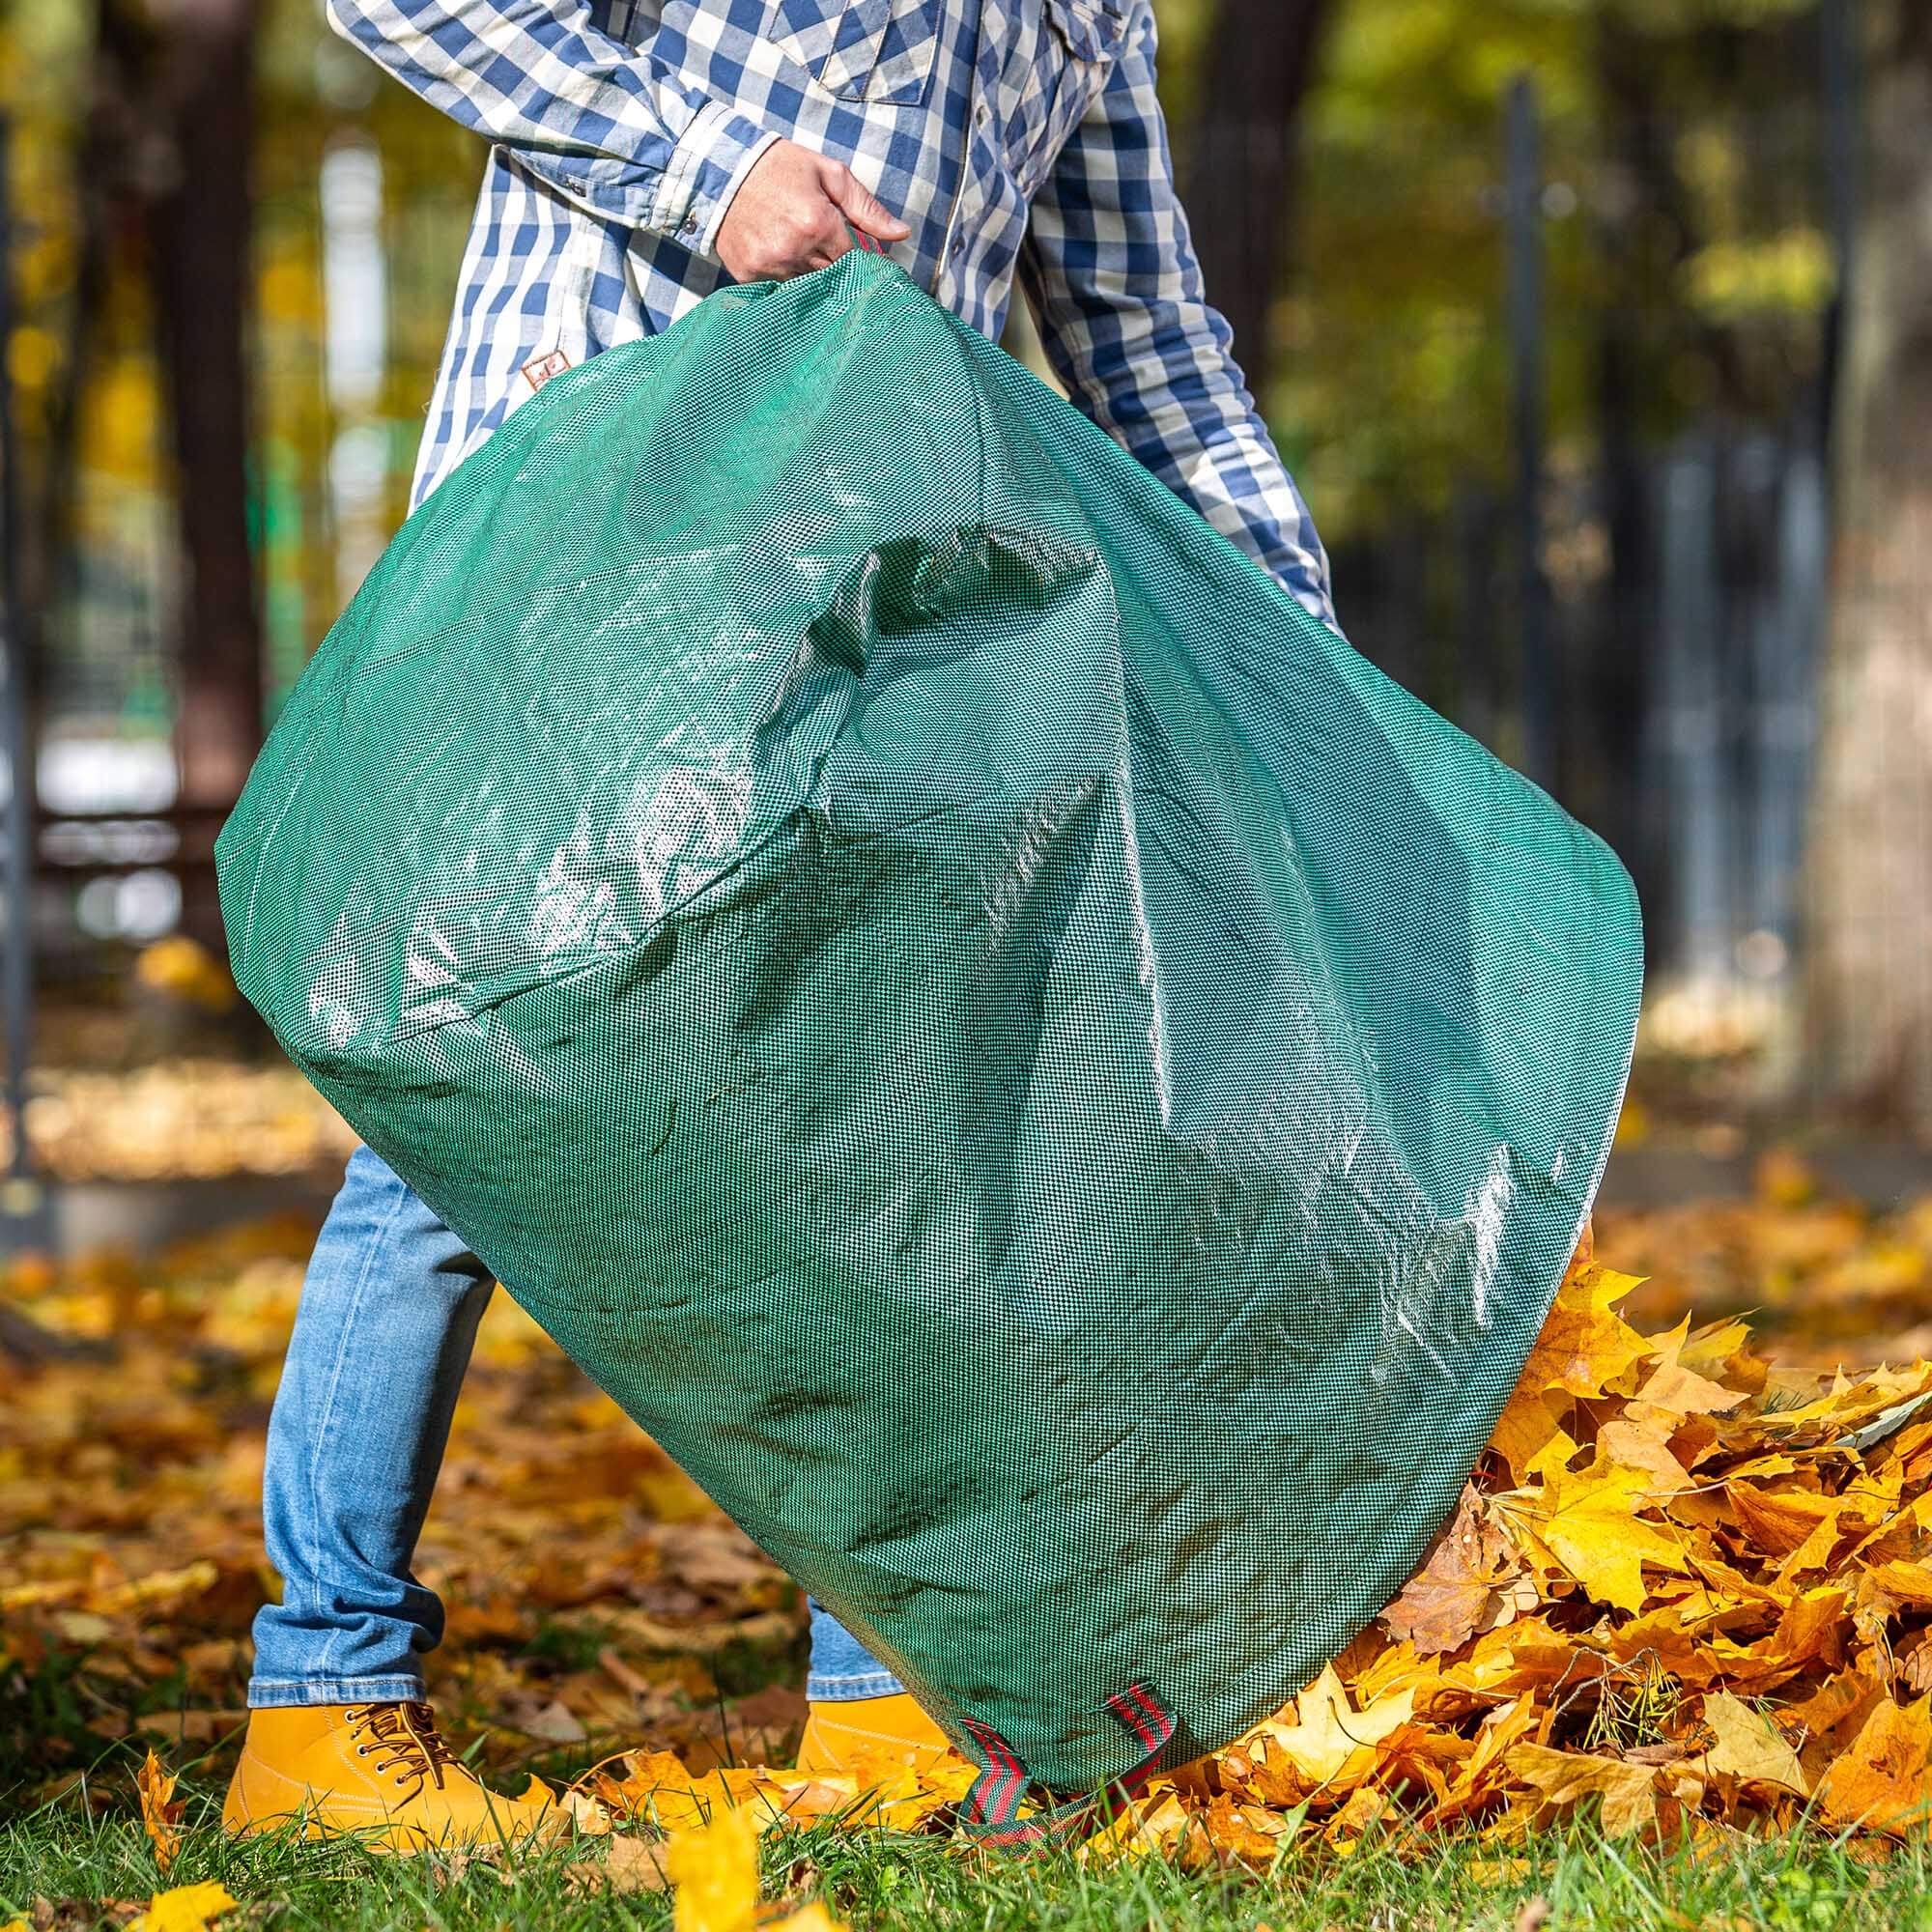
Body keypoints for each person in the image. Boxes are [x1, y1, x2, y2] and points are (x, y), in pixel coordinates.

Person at [222, 0, 1340, 1849]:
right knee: (455, 1127)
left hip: (859, 606)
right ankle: (323, 1713)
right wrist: (706, 170)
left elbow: (1147, 336)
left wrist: (1283, 627)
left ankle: (878, 1702)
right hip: (586, 552)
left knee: (885, 1131)